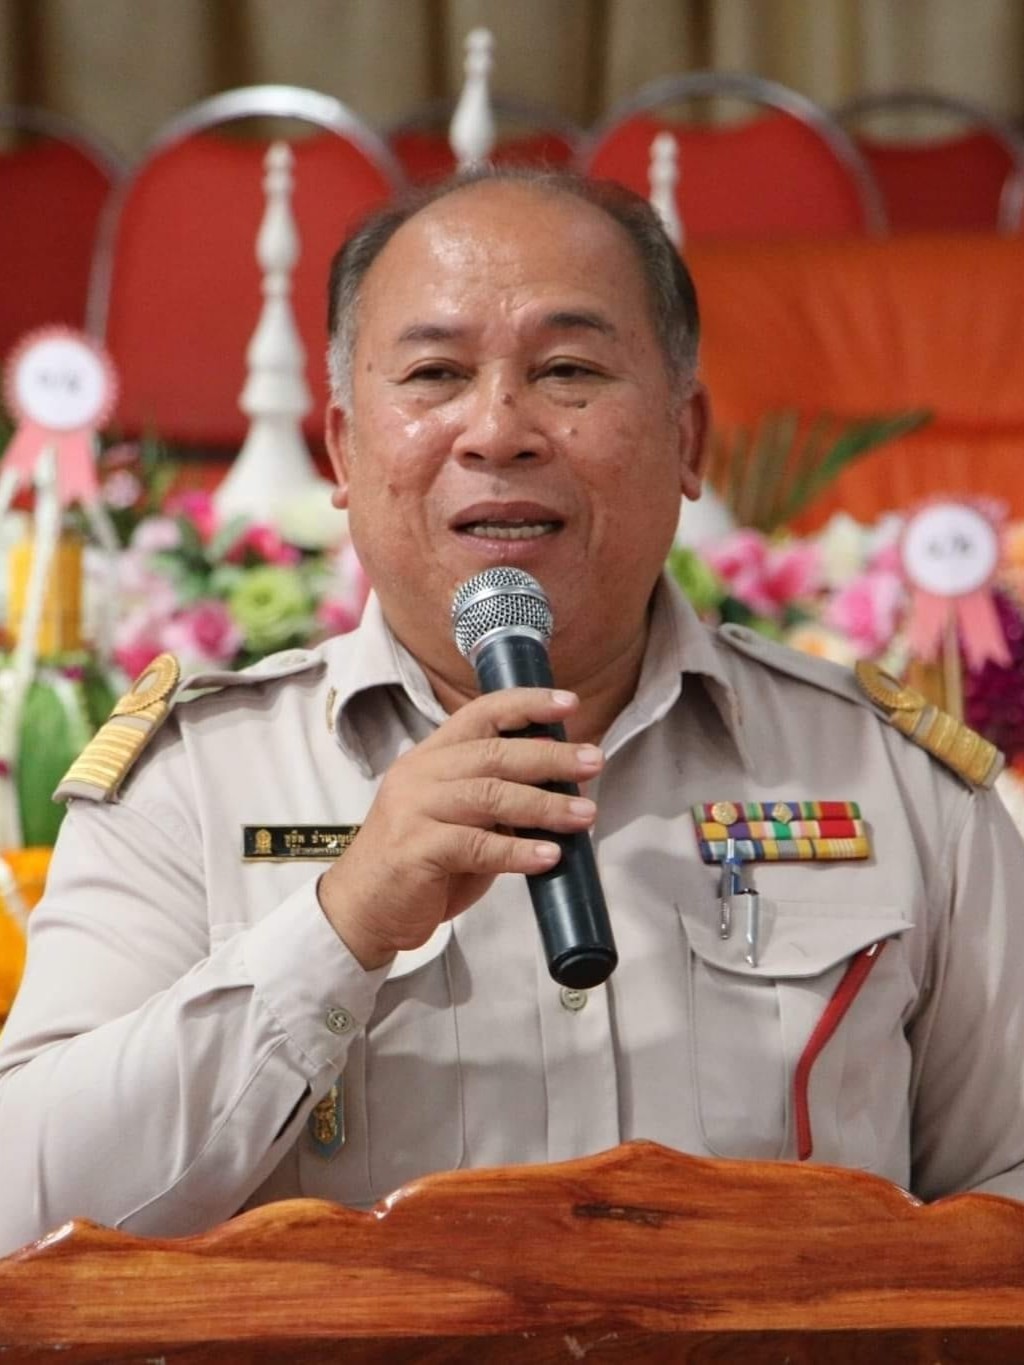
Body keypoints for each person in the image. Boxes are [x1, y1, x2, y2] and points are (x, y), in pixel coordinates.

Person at [1, 168, 1023, 1256]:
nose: (497, 431)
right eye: (435, 374)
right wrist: (341, 926)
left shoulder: (892, 780)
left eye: (568, 371)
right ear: (343, 451)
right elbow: (23, 1215)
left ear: (687, 439)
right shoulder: (192, 784)